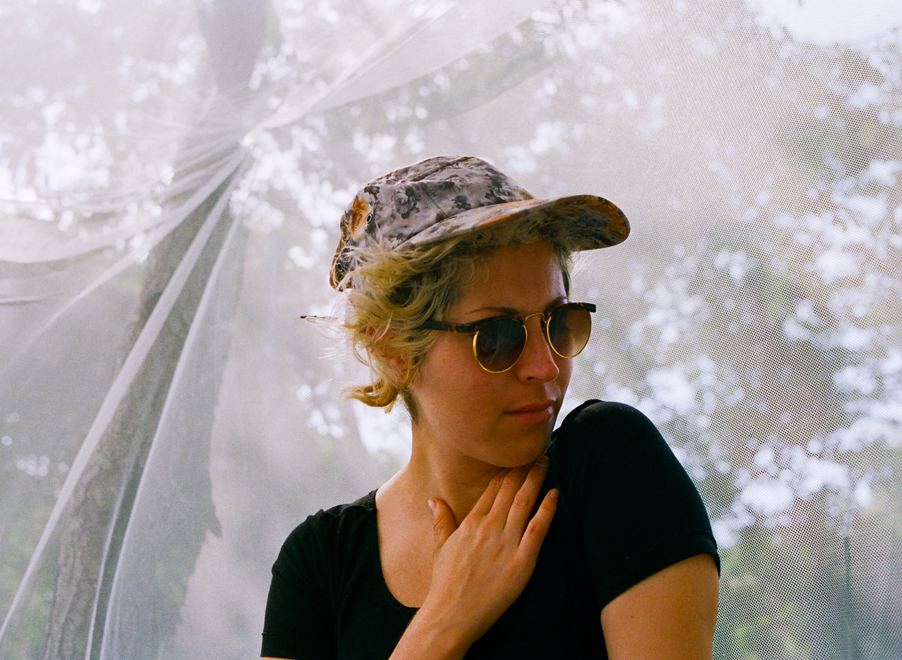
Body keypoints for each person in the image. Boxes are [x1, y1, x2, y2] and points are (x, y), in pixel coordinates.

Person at [262, 156, 720, 659]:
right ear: (393, 348)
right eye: (497, 336)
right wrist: (442, 624)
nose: (545, 366)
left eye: (558, 322)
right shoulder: (319, 562)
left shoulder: (611, 467)